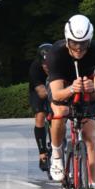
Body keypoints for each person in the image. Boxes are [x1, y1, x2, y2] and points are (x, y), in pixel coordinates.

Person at [46, 15, 95, 189]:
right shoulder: (55, 54)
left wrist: (91, 89)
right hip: (63, 87)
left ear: (90, 40)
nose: (79, 48)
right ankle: (56, 154)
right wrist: (72, 89)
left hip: (86, 90)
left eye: (83, 44)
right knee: (61, 111)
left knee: (89, 134)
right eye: (74, 43)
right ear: (67, 39)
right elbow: (56, 93)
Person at [29, 43, 53, 172]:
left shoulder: (60, 64)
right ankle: (42, 154)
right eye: (45, 65)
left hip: (55, 88)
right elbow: (42, 92)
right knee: (40, 116)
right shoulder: (35, 68)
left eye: (50, 64)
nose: (47, 68)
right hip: (39, 91)